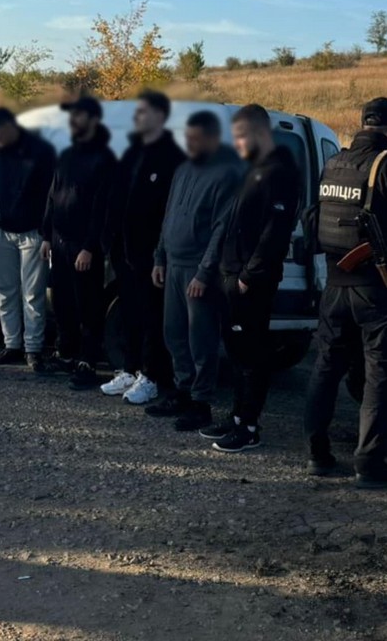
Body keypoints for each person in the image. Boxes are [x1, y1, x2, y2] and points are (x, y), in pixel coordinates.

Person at [303, 97, 387, 488]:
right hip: (377, 289)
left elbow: (316, 222)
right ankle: (369, 463)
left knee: (326, 368)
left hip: (334, 286)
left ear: (362, 123)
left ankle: (316, 453)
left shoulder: (334, 165)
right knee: (379, 374)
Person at [201, 104, 301, 452]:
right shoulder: (255, 169)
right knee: (238, 353)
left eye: (241, 136)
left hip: (251, 282)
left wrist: (248, 276)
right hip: (231, 277)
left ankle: (249, 427)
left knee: (253, 355)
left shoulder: (280, 171)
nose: (237, 143)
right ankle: (236, 417)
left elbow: (275, 232)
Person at [148, 111, 242, 431]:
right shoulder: (183, 169)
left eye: (195, 139)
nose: (188, 144)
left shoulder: (226, 174)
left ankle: (201, 402)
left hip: (198, 270)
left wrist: (204, 273)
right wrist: (159, 256)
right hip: (172, 264)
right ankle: (183, 391)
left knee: (200, 338)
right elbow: (167, 215)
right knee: (174, 333)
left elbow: (221, 229)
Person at [100, 89, 185, 405]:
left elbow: (169, 208)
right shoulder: (131, 151)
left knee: (152, 317)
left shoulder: (171, 155)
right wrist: (110, 239)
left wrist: (158, 253)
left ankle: (151, 376)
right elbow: (115, 197)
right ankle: (130, 369)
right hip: (124, 252)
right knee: (131, 314)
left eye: (144, 112)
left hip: (151, 255)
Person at [42, 96, 118, 390]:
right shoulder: (66, 153)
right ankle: (67, 354)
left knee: (88, 305)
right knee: (62, 302)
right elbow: (53, 193)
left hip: (84, 248)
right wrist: (46, 235)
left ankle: (87, 362)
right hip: (59, 243)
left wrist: (90, 246)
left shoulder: (104, 157)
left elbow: (103, 207)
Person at [0, 107, 57, 373]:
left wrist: (46, 232)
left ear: (10, 126)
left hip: (32, 233)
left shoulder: (40, 151)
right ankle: (11, 344)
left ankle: (33, 349)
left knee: (33, 295)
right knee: (5, 292)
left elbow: (51, 193)